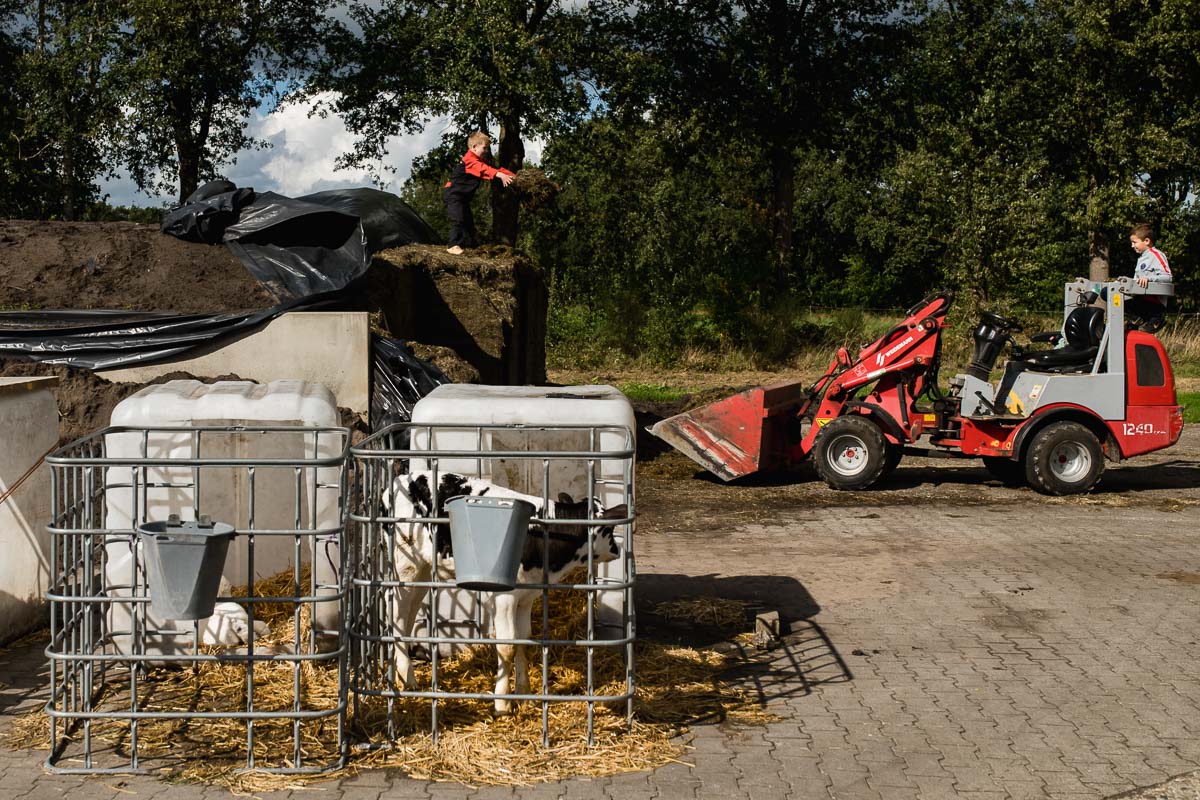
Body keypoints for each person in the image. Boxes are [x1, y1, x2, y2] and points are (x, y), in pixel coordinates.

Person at [442, 131, 515, 255]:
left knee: (469, 224)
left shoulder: (480, 160)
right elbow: (484, 169)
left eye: (488, 148)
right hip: (454, 194)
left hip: (464, 198)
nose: (486, 151)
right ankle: (452, 245)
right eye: (484, 148)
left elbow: (493, 169)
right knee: (458, 219)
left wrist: (513, 176)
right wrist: (500, 175)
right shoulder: (469, 159)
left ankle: (471, 246)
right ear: (474, 147)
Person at [1127, 223, 1172, 329]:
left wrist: (1149, 279)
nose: (1132, 246)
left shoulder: (1156, 255)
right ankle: (1137, 319)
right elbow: (1136, 281)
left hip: (1153, 302)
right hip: (1140, 299)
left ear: (1146, 241)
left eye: (1134, 242)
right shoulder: (1141, 258)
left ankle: (1157, 317)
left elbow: (1168, 277)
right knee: (1109, 295)